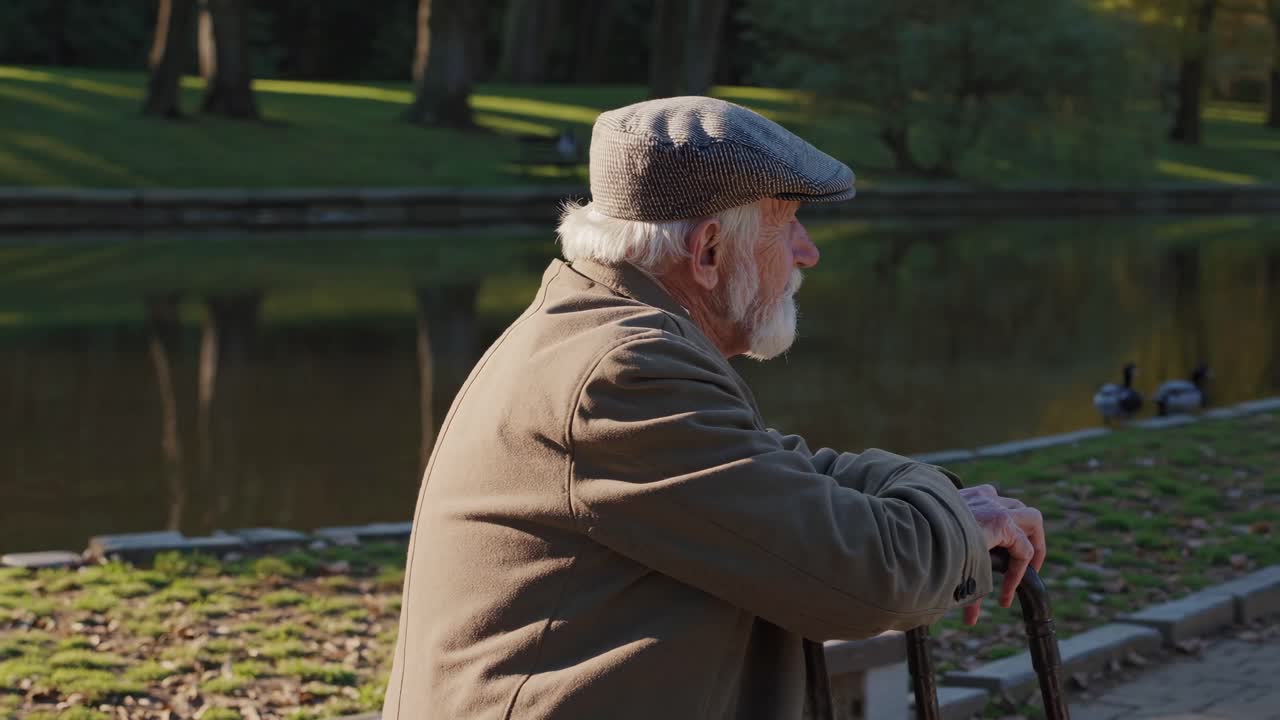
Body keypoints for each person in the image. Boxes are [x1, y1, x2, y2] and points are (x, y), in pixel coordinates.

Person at [381, 96, 1046, 719]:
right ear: (707, 251)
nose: (807, 252)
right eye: (786, 224)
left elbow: (786, 476)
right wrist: (960, 526)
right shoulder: (624, 371)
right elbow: (870, 576)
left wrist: (937, 498)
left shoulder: (602, 330)